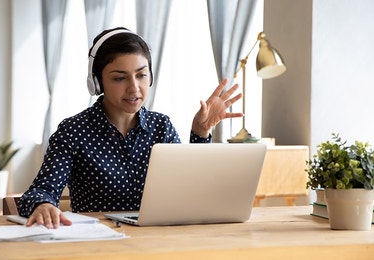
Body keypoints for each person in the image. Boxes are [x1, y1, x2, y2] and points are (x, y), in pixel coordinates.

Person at [16, 27, 243, 228]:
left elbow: (192, 191)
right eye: (119, 78)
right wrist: (43, 204)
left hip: (158, 244)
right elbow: (39, 191)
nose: (134, 88)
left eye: (141, 75)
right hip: (97, 244)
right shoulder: (73, 131)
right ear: (97, 82)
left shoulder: (161, 127)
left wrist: (200, 133)